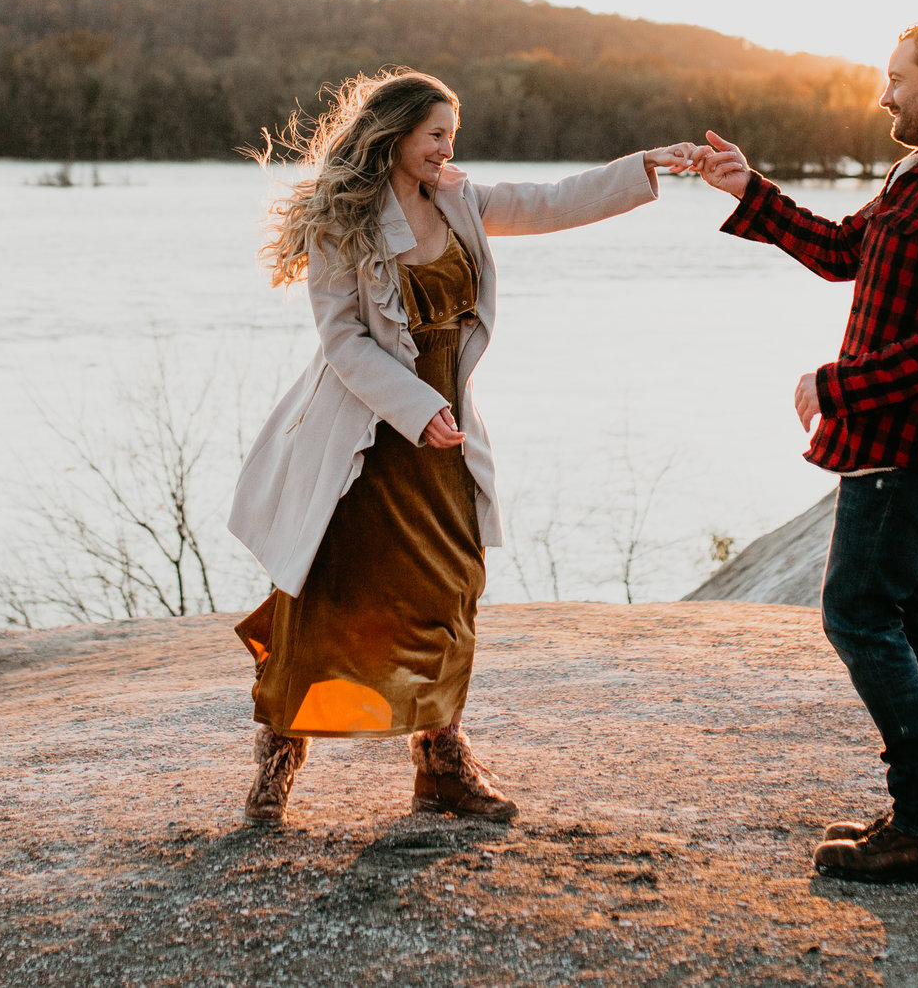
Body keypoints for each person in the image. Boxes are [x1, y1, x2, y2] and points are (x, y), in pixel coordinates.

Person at [229, 69, 700, 827]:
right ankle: (279, 759)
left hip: (444, 439)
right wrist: (417, 408)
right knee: (327, 601)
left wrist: (647, 165)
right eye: (435, 135)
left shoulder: (457, 197)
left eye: (453, 135)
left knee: (453, 589)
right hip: (367, 442)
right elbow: (342, 342)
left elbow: (550, 202)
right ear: (394, 136)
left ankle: (441, 762)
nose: (447, 149)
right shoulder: (341, 221)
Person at [693, 21, 918, 883]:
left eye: (897, 78)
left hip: (915, 445)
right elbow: (845, 249)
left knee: (856, 613)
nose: (884, 95)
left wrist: (839, 385)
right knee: (907, 618)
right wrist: (749, 189)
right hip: (889, 442)